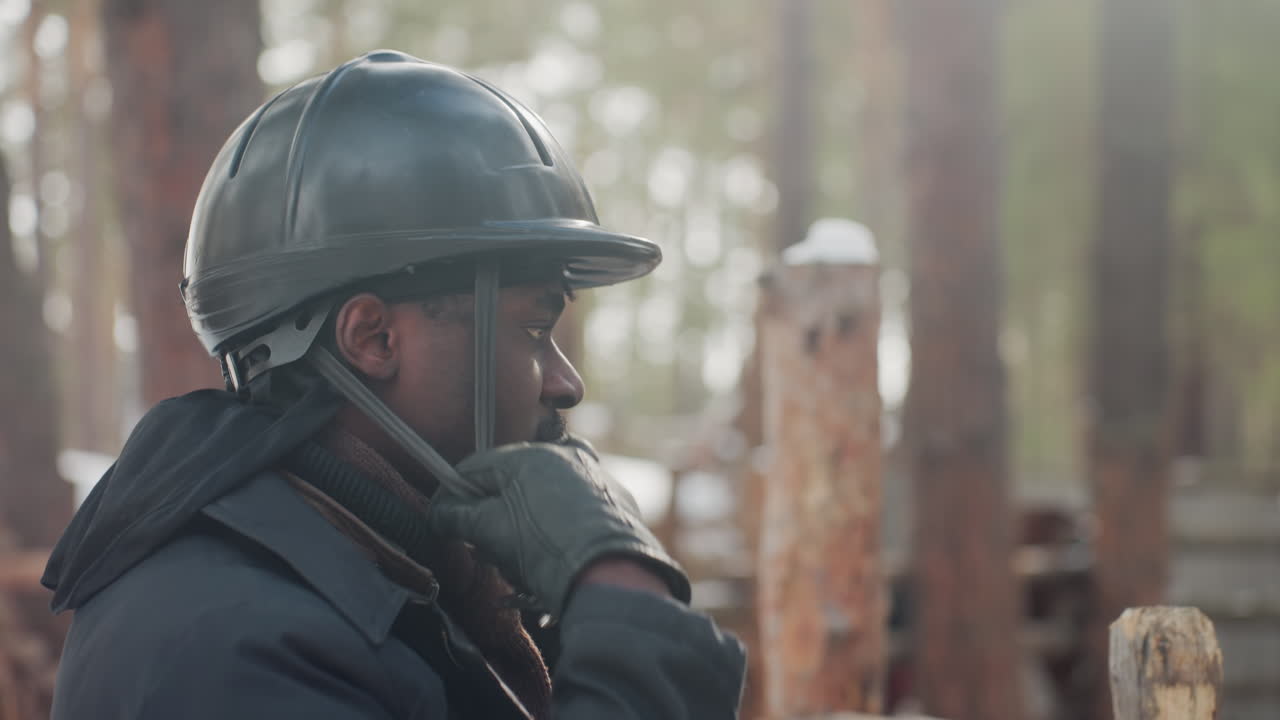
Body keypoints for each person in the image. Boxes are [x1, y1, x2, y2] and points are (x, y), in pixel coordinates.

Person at [43, 50, 745, 719]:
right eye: (534, 328)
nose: (566, 384)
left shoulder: (378, 577)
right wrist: (622, 590)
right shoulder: (228, 647)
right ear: (373, 337)